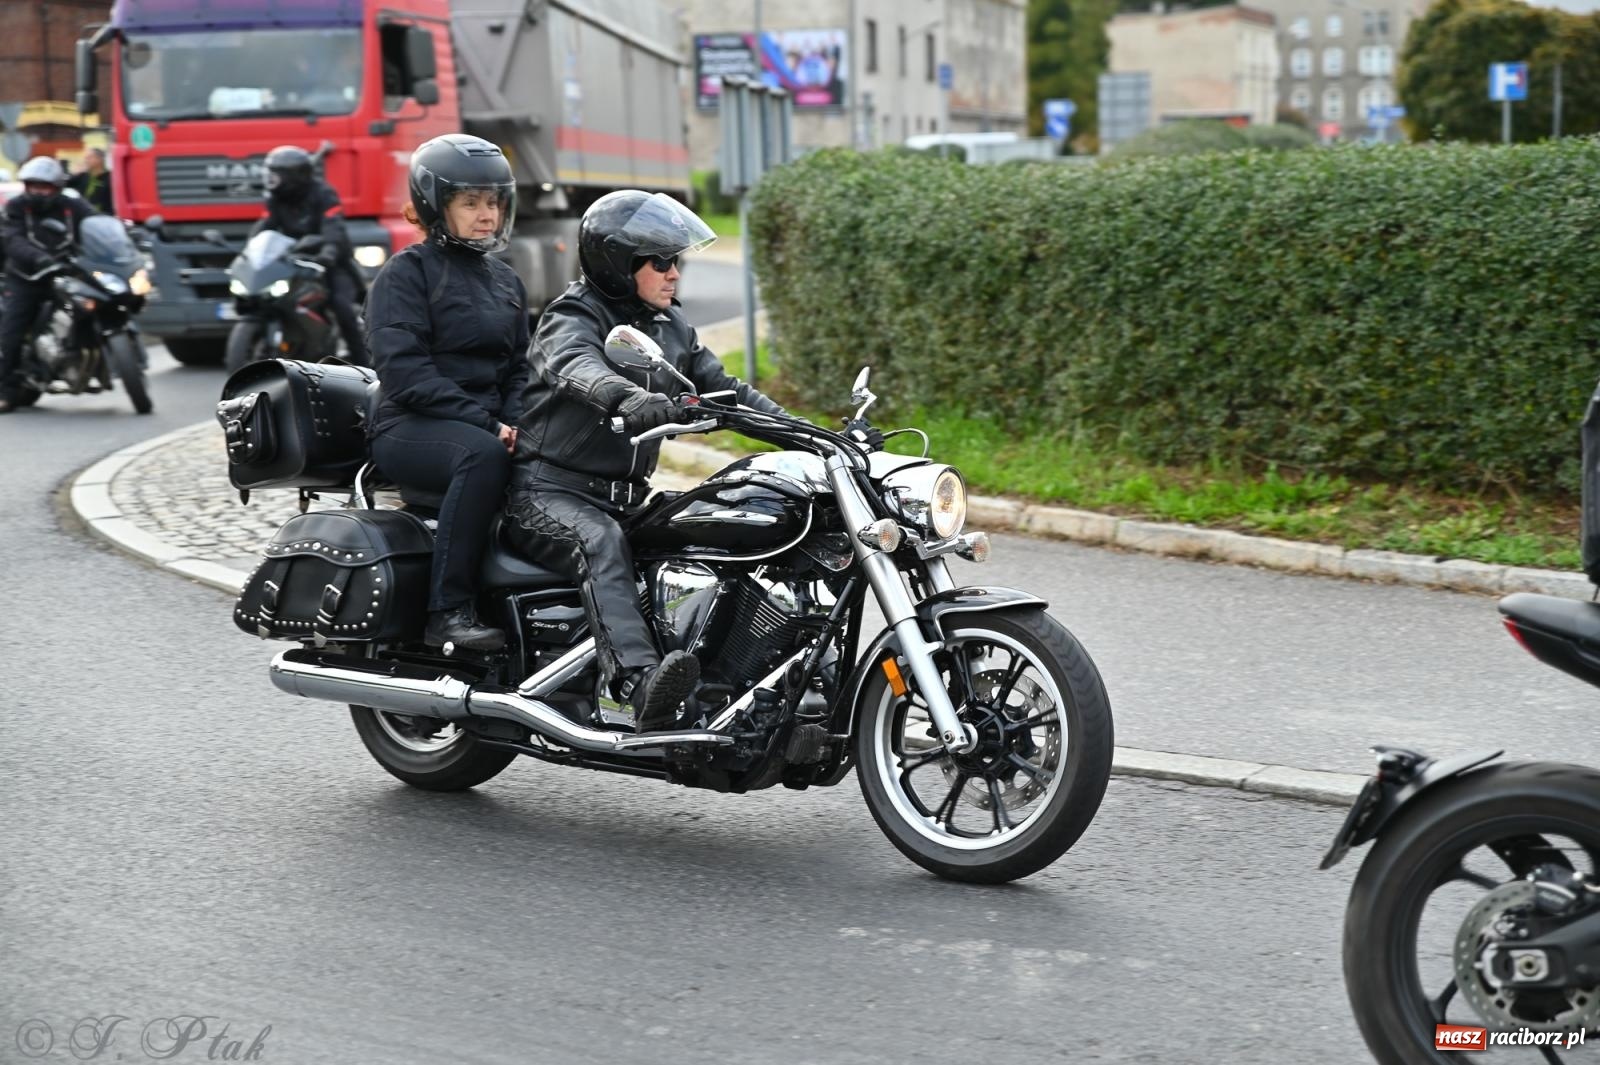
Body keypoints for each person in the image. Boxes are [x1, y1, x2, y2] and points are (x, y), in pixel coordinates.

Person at [505, 190, 786, 732]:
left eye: (676, 259)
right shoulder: (572, 316)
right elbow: (576, 366)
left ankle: (727, 675)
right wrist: (626, 397)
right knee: (599, 541)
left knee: (715, 525)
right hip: (546, 494)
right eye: (660, 261)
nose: (674, 273)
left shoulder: (671, 329)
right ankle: (637, 684)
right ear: (618, 261)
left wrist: (815, 436)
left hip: (624, 499)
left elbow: (726, 392)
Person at [365, 133, 527, 652]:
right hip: (410, 425)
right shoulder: (405, 274)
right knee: (480, 457)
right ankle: (448, 611)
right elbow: (405, 373)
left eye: (494, 202)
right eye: (470, 202)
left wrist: (520, 420)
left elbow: (521, 367)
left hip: (484, 421)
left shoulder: (505, 280)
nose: (487, 214)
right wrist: (487, 425)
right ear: (438, 205)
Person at [248, 145, 368, 365]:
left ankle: (365, 366)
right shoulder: (275, 198)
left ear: (293, 175)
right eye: (270, 173)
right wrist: (251, 250)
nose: (271, 179)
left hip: (329, 263)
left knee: (342, 309)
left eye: (277, 174)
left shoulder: (323, 193)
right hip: (293, 261)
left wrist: (328, 251)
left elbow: (333, 226)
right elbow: (266, 225)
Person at [0, 157, 92, 413]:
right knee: (12, 330)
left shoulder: (71, 205)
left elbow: (95, 223)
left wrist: (123, 235)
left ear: (57, 187)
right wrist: (38, 258)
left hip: (66, 273)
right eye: (34, 186)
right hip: (26, 277)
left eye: (45, 186)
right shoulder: (16, 208)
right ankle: (6, 391)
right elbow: (13, 239)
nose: (39, 191)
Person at [67, 147, 114, 215]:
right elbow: (65, 185)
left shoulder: (110, 178)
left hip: (104, 217)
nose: (86, 160)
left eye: (89, 157)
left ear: (99, 159)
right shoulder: (82, 176)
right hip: (83, 216)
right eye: (86, 158)